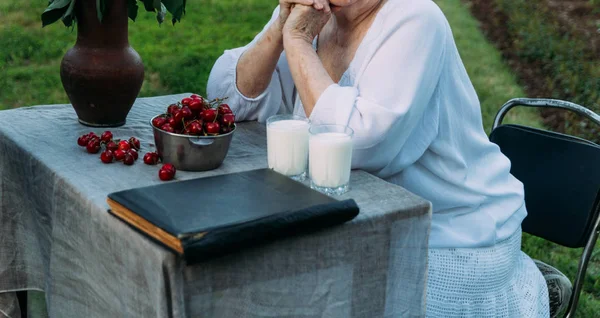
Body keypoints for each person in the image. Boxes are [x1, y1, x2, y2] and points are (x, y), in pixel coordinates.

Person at [207, 0, 569, 316]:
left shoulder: (416, 18)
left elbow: (361, 144)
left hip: (451, 231)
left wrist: (298, 42)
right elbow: (225, 103)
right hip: (354, 215)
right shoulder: (314, 13)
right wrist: (280, 27)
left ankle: (526, 284)